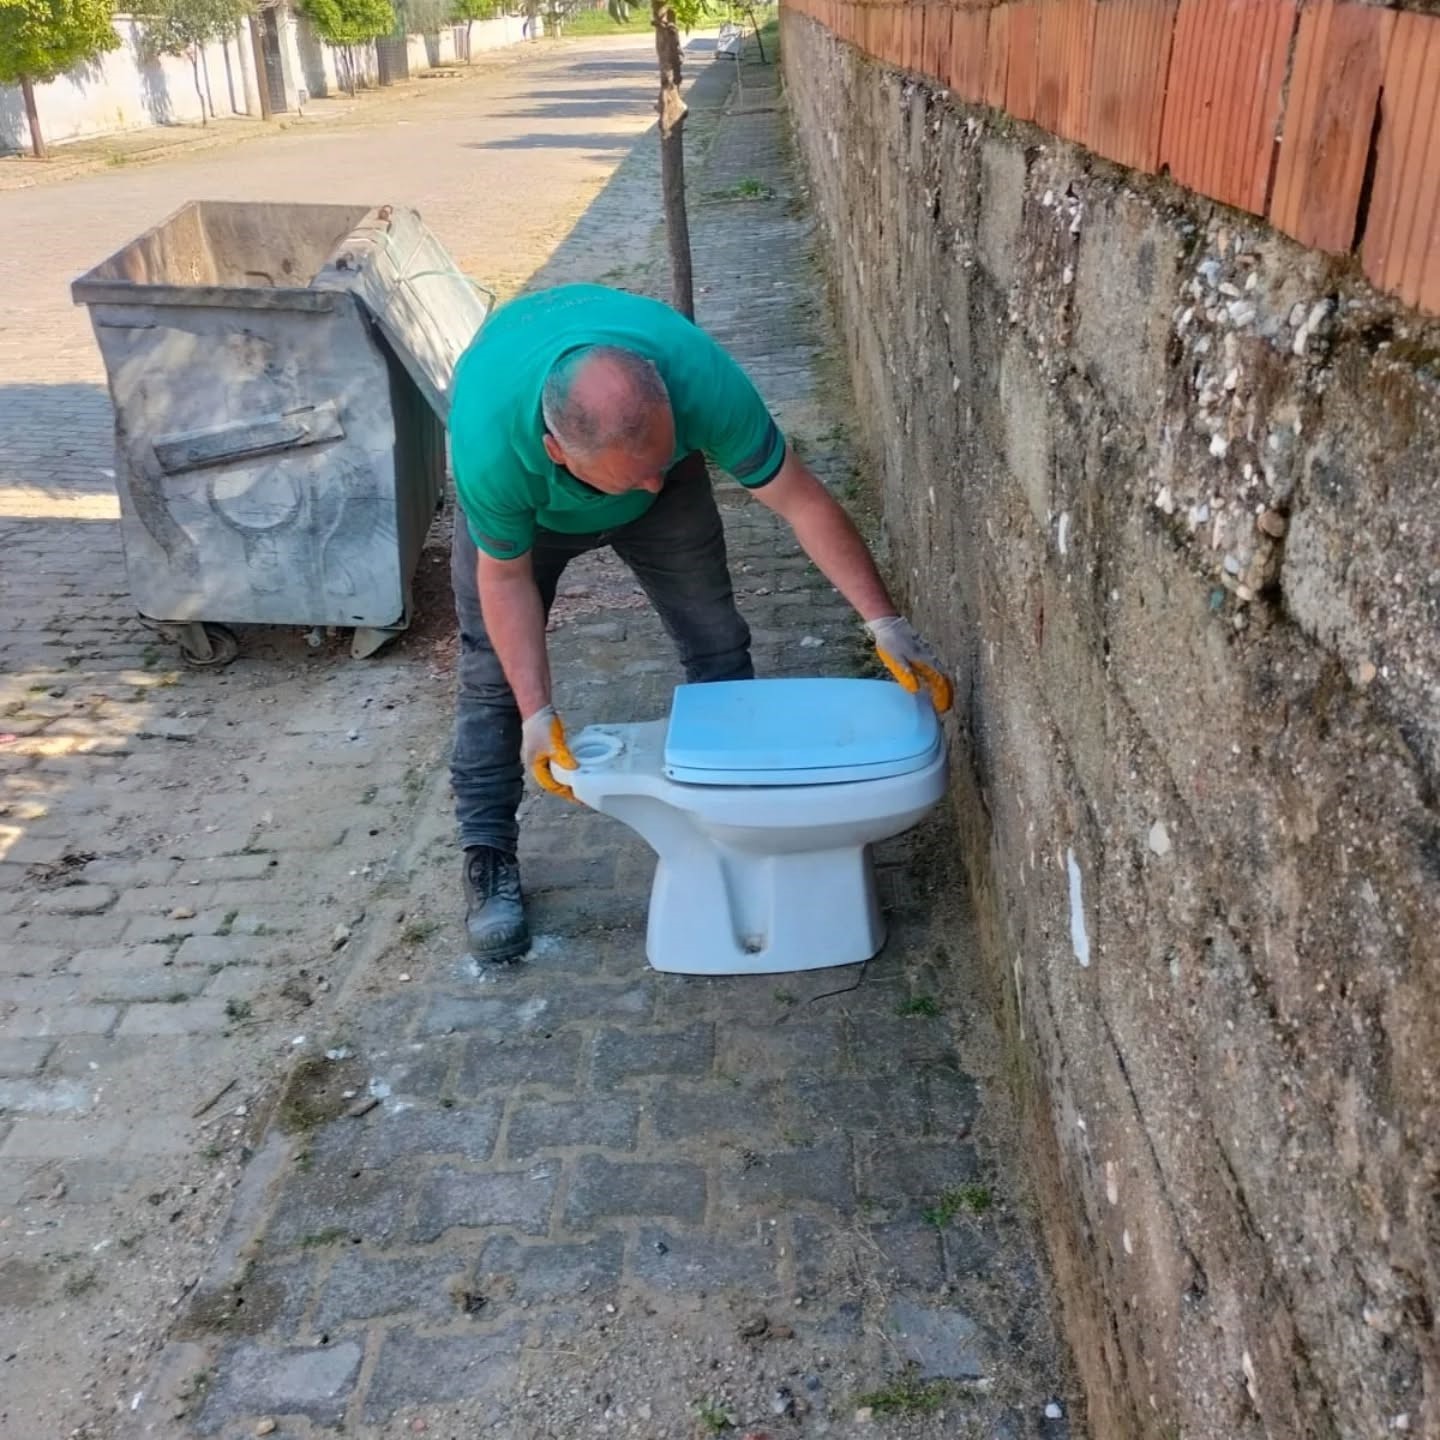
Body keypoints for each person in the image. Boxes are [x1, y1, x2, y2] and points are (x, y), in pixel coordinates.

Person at [447, 283, 951, 962]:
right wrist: (538, 711)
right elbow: (504, 579)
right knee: (493, 683)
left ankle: (735, 825)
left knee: (716, 643)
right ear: (557, 451)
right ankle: (489, 858)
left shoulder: (696, 381)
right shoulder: (490, 445)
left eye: (660, 459)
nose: (651, 485)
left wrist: (883, 621)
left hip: (645, 469)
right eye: (635, 476)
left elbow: (800, 501)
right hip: (530, 519)